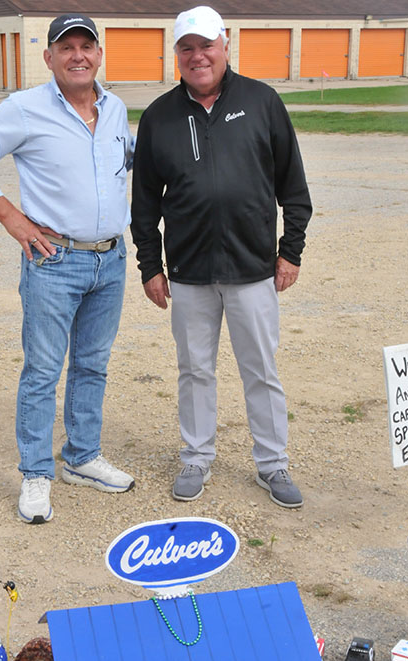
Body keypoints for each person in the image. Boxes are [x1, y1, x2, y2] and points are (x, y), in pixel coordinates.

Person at [0, 13, 135, 524]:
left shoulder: (115, 108)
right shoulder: (25, 108)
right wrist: (10, 217)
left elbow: (125, 165)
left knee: (92, 364)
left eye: (86, 46)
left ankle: (81, 456)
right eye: (66, 47)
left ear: (99, 54)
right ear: (48, 56)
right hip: (54, 260)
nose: (78, 55)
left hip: (110, 259)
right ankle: (35, 472)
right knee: (43, 371)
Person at [131, 6, 312, 508]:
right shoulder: (159, 116)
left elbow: (293, 189)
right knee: (194, 370)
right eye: (186, 48)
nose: (197, 56)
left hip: (253, 270)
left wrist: (289, 251)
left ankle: (273, 465)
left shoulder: (262, 102)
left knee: (261, 370)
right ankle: (196, 456)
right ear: (177, 55)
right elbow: (144, 204)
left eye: (206, 45)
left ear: (225, 44)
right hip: (188, 274)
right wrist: (151, 266)